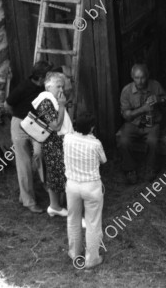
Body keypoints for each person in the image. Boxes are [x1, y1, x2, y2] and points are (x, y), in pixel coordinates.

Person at [4, 61, 53, 213]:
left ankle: (47, 189)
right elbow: (7, 105)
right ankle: (28, 200)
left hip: (38, 126)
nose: (50, 77)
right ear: (40, 77)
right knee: (23, 163)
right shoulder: (23, 87)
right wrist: (19, 117)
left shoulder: (46, 87)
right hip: (20, 125)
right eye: (47, 75)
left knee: (40, 154)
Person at [64, 112, 106, 269]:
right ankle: (92, 259)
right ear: (92, 128)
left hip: (72, 185)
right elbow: (103, 160)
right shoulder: (95, 144)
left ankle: (74, 252)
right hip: (91, 186)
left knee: (73, 219)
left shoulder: (67, 138)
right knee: (93, 222)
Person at [118, 64, 166, 184]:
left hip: (152, 123)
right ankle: (130, 170)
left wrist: (160, 99)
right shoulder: (126, 91)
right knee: (123, 141)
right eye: (136, 78)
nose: (140, 81)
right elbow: (126, 115)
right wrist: (143, 109)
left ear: (147, 76)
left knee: (153, 141)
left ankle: (150, 168)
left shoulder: (155, 85)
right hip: (133, 124)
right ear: (132, 77)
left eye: (142, 77)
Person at [32, 72, 74, 217]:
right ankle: (62, 207)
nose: (61, 90)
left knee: (58, 176)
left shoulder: (52, 100)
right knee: (61, 176)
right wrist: (62, 106)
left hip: (58, 143)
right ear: (48, 86)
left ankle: (56, 206)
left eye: (62, 87)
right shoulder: (45, 101)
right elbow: (55, 126)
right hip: (53, 144)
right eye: (58, 87)